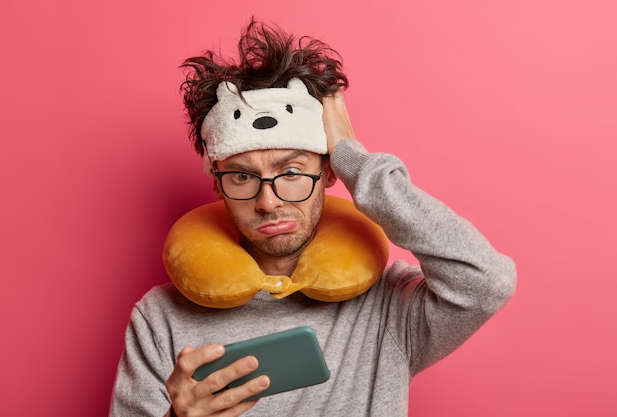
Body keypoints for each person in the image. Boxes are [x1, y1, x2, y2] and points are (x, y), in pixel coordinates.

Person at [109, 18, 517, 417]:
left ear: (327, 173)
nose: (268, 201)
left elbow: (487, 282)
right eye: (241, 176)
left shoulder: (388, 306)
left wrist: (352, 157)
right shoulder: (160, 317)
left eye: (290, 172)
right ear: (217, 185)